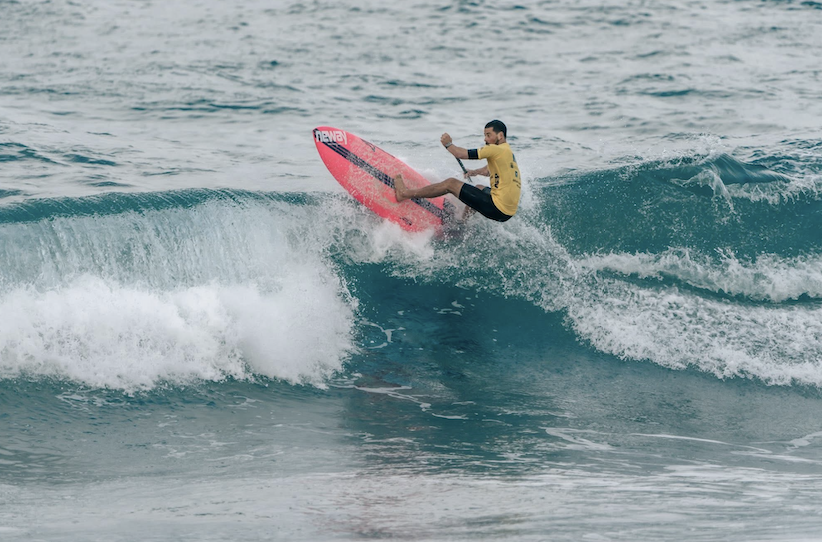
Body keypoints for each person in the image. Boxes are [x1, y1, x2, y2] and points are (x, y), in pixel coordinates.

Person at [394, 120, 521, 222]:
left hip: (497, 208)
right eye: (484, 135)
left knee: (450, 184)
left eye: (488, 135)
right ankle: (463, 221)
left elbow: (460, 153)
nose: (485, 139)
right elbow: (490, 170)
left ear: (500, 135)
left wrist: (448, 144)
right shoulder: (507, 152)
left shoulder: (495, 149)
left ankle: (404, 194)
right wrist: (474, 172)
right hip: (508, 212)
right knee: (480, 188)